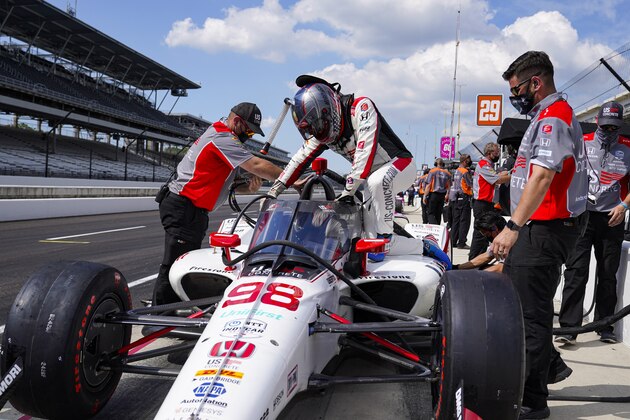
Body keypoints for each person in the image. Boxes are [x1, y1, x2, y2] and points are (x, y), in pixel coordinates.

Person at [492, 51, 588, 419]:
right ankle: (549, 369)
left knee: (529, 319)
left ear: (537, 82)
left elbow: (544, 176)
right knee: (523, 311)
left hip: (543, 229)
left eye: (517, 89)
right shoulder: (544, 116)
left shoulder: (553, 118)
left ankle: (532, 403)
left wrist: (513, 227)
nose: (515, 96)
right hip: (538, 228)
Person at [268, 76, 418, 262]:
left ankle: (421, 247)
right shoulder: (322, 133)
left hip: (400, 165)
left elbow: (364, 150)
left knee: (380, 237)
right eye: (312, 128)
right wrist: (273, 192)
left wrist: (348, 190)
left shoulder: (361, 107)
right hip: (369, 180)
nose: (318, 131)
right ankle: (401, 245)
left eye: (319, 124)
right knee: (364, 239)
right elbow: (298, 160)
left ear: (330, 109)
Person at [153, 102, 288, 305]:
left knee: (183, 262)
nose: (248, 138)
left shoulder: (224, 137)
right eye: (249, 133)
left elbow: (229, 186)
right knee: (174, 263)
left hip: (191, 209)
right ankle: (160, 315)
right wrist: (292, 179)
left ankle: (173, 307)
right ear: (236, 122)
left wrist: (249, 188)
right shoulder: (221, 137)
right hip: (183, 206)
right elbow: (257, 164)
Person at [556, 101, 630, 345]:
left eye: (614, 127)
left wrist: (624, 206)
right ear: (598, 121)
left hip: (612, 217)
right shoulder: (582, 142)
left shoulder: (628, 147)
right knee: (576, 271)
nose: (609, 131)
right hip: (582, 216)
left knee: (608, 274)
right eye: (605, 125)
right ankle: (569, 328)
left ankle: (604, 326)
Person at [470, 142, 510, 259]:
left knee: (485, 234)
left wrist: (503, 174)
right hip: (481, 203)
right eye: (496, 153)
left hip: (486, 204)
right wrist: (512, 176)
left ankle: (479, 259)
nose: (498, 154)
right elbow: (497, 179)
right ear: (489, 153)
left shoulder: (489, 165)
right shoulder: (484, 164)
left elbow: (495, 175)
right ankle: (473, 260)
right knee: (480, 234)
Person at [449, 154, 473, 249]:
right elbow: (470, 183)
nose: (469, 163)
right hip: (464, 196)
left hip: (456, 197)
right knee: (465, 221)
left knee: (456, 220)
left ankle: (453, 241)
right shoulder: (465, 172)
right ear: (464, 161)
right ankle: (462, 242)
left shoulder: (457, 171)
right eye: (468, 161)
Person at [423, 158, 451, 225]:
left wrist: (424, 196)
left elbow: (428, 185)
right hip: (442, 195)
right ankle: (438, 228)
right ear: (443, 164)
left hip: (433, 195)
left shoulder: (432, 171)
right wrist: (447, 195)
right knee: (438, 213)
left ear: (436, 164)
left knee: (430, 213)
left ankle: (434, 226)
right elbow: (449, 186)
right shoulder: (447, 173)